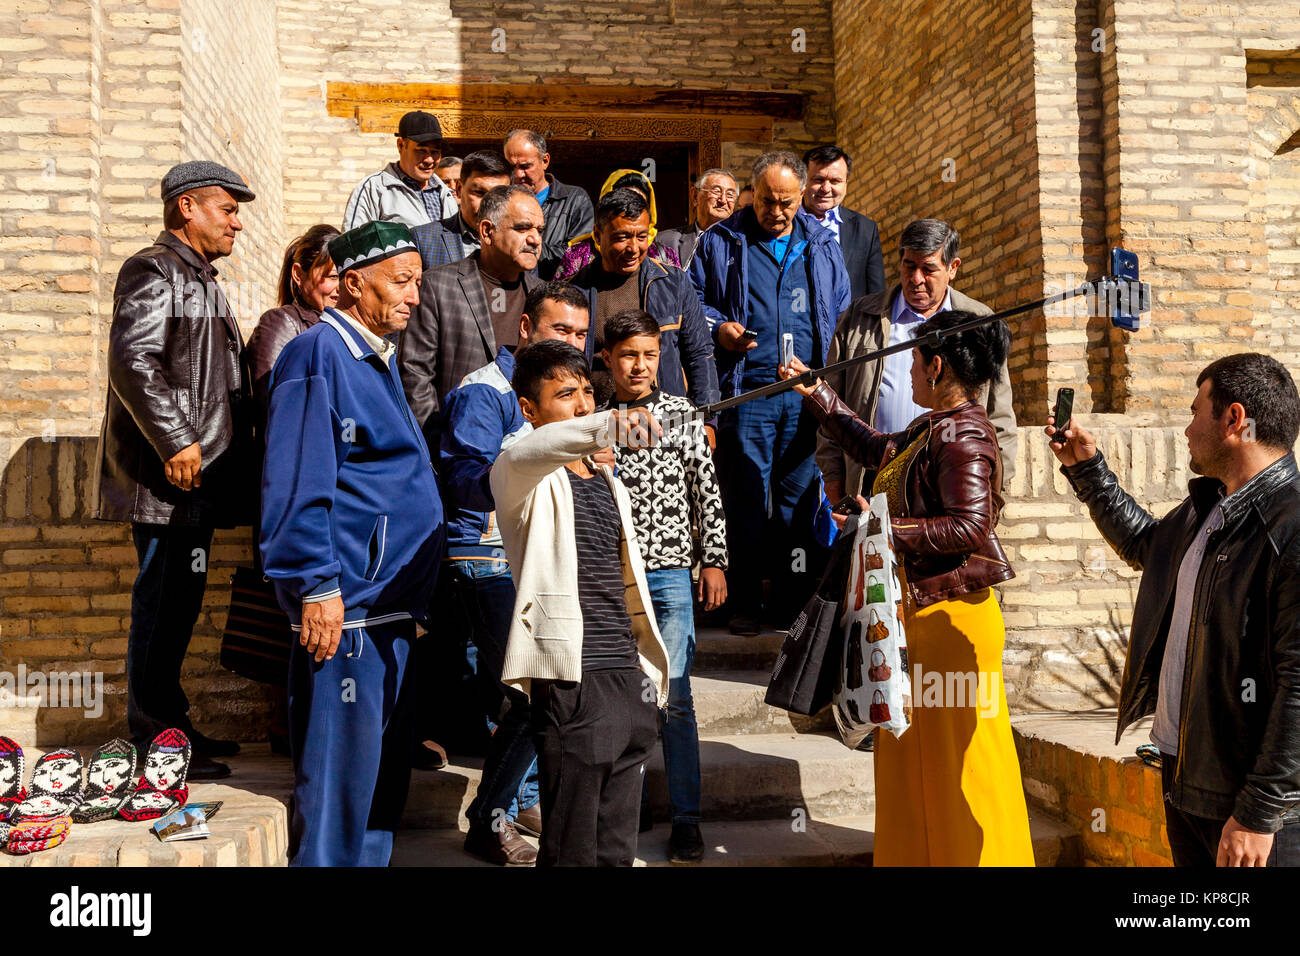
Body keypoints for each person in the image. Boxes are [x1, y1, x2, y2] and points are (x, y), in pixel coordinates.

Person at [780, 309, 1033, 866]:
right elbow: (877, 450)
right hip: (917, 616)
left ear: (937, 365)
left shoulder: (965, 432)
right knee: (910, 764)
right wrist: (819, 393)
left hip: (951, 618)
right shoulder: (930, 427)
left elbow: (971, 526)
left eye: (916, 362)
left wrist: (880, 526)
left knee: (959, 770)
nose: (911, 374)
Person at [1048, 353, 1300, 867]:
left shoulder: (1290, 528)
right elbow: (1148, 546)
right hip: (1186, 779)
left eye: (1194, 411)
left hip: (1252, 812)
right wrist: (1087, 470)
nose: (1185, 429)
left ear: (1234, 420)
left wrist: (1260, 812)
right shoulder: (1208, 508)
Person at [260, 221, 445, 867]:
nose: (414, 297)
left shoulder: (373, 355)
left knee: (376, 789)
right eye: (402, 281)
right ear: (353, 281)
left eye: (418, 283)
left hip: (388, 606)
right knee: (340, 787)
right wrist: (317, 583)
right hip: (350, 609)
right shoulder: (317, 354)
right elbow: (297, 478)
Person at [95, 160, 257, 781]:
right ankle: (150, 741)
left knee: (180, 604)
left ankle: (172, 727)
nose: (236, 222)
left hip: (197, 484)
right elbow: (133, 361)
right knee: (161, 603)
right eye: (228, 209)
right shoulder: (153, 268)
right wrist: (177, 441)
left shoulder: (201, 277)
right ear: (188, 207)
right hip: (170, 481)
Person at [490, 341, 670, 866]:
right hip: (572, 680)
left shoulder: (609, 480)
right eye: (564, 394)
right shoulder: (517, 472)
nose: (582, 405)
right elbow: (542, 448)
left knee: (617, 852)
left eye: (588, 392)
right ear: (529, 408)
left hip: (627, 680)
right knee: (570, 851)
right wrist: (612, 424)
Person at [439, 282, 592, 866]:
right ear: (525, 327)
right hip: (486, 556)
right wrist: (530, 465)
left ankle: (520, 798)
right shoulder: (487, 391)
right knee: (531, 692)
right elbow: (463, 478)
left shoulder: (568, 398)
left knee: (534, 691)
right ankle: (489, 817)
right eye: (559, 331)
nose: (571, 343)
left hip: (531, 560)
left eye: (580, 334)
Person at [690, 150, 851, 635]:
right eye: (765, 200)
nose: (775, 211)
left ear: (801, 197)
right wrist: (719, 328)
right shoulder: (723, 241)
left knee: (798, 503)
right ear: (751, 193)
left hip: (803, 396)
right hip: (747, 394)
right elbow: (693, 300)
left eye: (785, 202)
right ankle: (744, 603)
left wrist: (827, 381)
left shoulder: (821, 244)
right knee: (743, 499)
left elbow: (839, 310)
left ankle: (790, 602)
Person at [600, 310, 728, 864]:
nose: (640, 365)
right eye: (629, 354)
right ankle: (623, 811)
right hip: (611, 576)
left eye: (650, 355)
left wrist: (714, 561)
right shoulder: (595, 419)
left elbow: (707, 492)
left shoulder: (680, 413)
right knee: (619, 699)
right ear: (607, 358)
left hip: (672, 574)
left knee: (675, 698)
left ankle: (687, 819)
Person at [817, 218, 1018, 506]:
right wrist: (834, 476)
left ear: (953, 268)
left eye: (928, 269)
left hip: (948, 484)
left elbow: (1000, 418)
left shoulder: (979, 323)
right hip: (871, 479)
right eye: (909, 266)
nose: (916, 279)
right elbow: (833, 404)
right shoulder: (860, 317)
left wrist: (991, 492)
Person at [243, 223, 340, 757]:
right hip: (293, 495)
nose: (335, 286)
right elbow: (277, 415)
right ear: (300, 275)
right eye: (327, 276)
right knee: (296, 617)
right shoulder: (283, 326)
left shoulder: (342, 331)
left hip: (327, 499)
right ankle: (293, 732)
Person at [399, 184, 544, 452]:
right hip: (457, 456)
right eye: (523, 228)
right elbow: (415, 377)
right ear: (487, 231)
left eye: (539, 230)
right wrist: (441, 450)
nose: (535, 239)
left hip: (527, 457)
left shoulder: (541, 296)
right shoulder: (438, 287)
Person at [570, 188, 719, 413]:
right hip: (599, 422)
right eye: (622, 237)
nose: (634, 248)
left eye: (641, 237)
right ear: (598, 234)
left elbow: (700, 353)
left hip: (665, 420)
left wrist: (708, 419)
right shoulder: (574, 291)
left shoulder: (673, 282)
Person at [554, 169, 682, 280]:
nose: (633, 249)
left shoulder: (664, 256)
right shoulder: (579, 254)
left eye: (639, 204)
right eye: (622, 200)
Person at [503, 129, 595, 279]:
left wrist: (521, 246)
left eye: (525, 166)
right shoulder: (502, 201)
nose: (518, 174)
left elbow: (579, 253)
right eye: (511, 167)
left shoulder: (575, 200)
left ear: (545, 161)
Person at [343, 110, 457, 230]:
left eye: (435, 152)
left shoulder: (446, 194)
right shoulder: (373, 189)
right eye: (421, 150)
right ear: (401, 145)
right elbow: (352, 244)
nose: (429, 160)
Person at [801, 146, 885, 301]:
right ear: (803, 181)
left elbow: (876, 296)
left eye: (835, 181)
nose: (826, 188)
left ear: (846, 183)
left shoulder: (866, 230)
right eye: (818, 180)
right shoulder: (785, 222)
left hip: (848, 323)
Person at [410, 150, 512, 271]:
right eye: (479, 193)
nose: (488, 204)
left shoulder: (520, 239)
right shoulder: (423, 239)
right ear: (459, 189)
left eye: (498, 196)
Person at [657, 168, 738, 267]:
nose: (723, 200)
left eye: (730, 194)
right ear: (695, 196)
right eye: (716, 191)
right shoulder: (664, 242)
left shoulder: (743, 244)